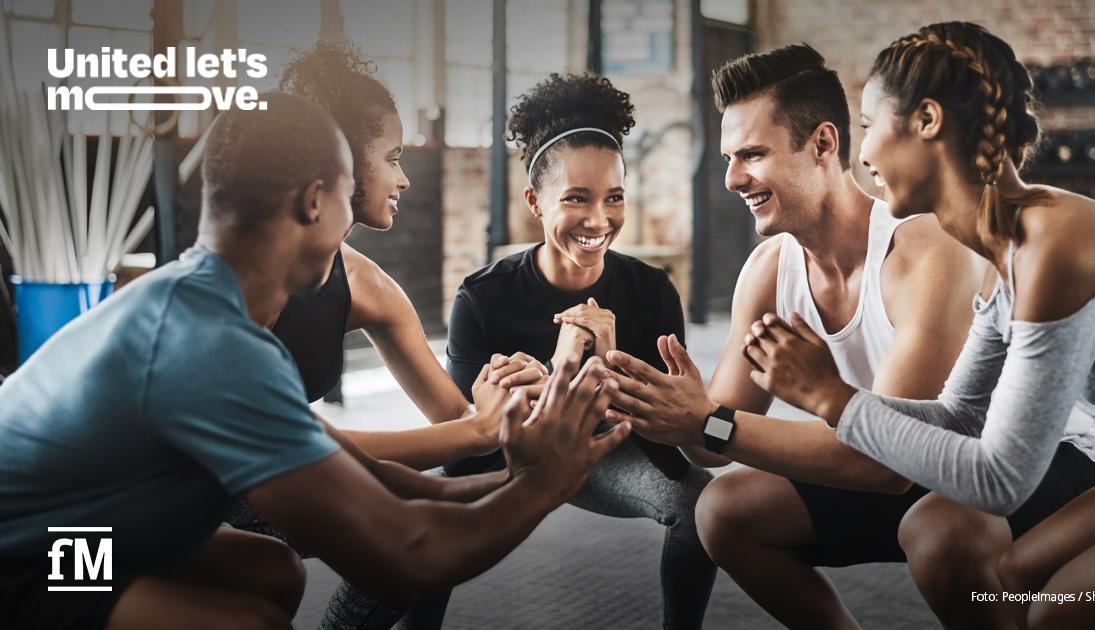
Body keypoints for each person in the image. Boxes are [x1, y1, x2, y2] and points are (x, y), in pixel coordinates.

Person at [0, 93, 629, 630]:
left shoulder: (211, 307)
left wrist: (515, 478)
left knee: (268, 569)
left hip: (86, 534)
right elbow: (406, 553)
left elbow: (370, 473)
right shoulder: (208, 343)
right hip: (40, 557)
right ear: (313, 203)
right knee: (248, 623)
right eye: (350, 191)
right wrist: (547, 483)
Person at [601, 44, 1095, 629]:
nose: (732, 179)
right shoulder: (767, 271)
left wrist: (707, 421)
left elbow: (888, 463)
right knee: (725, 511)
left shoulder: (923, 251)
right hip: (919, 470)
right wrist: (664, 405)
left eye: (752, 155)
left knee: (941, 533)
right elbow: (710, 441)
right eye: (730, 158)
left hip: (1049, 459)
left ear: (824, 146)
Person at [736, 22, 1095, 629]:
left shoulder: (1054, 244)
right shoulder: (1004, 256)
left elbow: (1001, 479)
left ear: (926, 121)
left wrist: (834, 397)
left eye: (870, 127)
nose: (863, 152)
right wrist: (828, 403)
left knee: (1061, 613)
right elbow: (959, 416)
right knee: (1002, 579)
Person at [228, 42, 546, 630]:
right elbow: (298, 446)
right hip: (153, 499)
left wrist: (514, 399)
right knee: (291, 567)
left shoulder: (369, 287)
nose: (404, 177)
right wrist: (484, 439)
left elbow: (457, 425)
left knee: (407, 535)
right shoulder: (242, 279)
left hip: (254, 476)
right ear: (339, 161)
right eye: (392, 157)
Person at [441, 73, 716, 630]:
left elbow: (666, 426)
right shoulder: (481, 297)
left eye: (613, 197)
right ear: (534, 203)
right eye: (575, 198)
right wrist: (559, 377)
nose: (599, 220)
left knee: (699, 505)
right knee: (421, 520)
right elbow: (466, 426)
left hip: (609, 453)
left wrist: (603, 369)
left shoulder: (651, 292)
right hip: (511, 451)